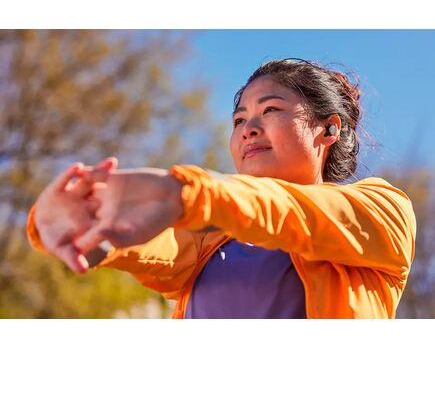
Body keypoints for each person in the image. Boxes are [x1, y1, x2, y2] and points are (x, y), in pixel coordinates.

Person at [27, 58, 417, 318]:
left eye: (270, 110)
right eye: (239, 119)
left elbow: (291, 212)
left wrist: (185, 195)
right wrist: (84, 225)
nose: (248, 128)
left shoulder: (383, 211)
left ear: (329, 128)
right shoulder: (206, 240)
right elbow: (145, 244)